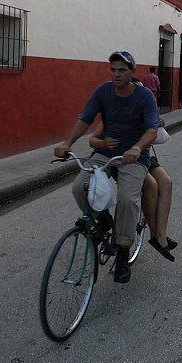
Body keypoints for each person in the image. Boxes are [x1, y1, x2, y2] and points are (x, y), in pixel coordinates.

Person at [54, 51, 159, 284]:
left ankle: (122, 254)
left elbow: (152, 129)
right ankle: (102, 220)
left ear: (132, 71)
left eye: (122, 70)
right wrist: (67, 143)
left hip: (133, 157)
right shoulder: (103, 91)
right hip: (104, 154)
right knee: (80, 186)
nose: (116, 74)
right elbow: (85, 119)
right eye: (113, 69)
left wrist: (137, 148)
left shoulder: (144, 97)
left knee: (127, 198)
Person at [90, 119, 177, 262]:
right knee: (151, 185)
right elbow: (94, 140)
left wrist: (156, 124)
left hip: (141, 156)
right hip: (120, 159)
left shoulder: (143, 101)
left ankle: (160, 235)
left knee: (166, 182)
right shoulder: (112, 110)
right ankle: (154, 235)